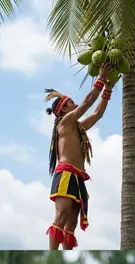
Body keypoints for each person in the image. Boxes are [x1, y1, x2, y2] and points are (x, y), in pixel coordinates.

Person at [44, 62, 117, 250]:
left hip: (77, 177)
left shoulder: (78, 127)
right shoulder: (65, 122)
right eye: (70, 102)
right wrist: (100, 78)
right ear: (64, 110)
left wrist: (107, 89)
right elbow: (87, 103)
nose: (74, 103)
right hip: (66, 174)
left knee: (72, 225)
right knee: (61, 216)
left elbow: (97, 113)